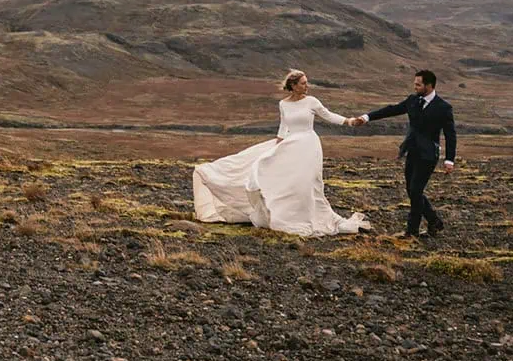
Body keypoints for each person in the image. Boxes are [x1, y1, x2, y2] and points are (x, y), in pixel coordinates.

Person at [193, 70, 370, 237]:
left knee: (308, 182)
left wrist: (348, 121)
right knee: (271, 171)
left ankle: (309, 214)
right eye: (303, 84)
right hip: (290, 143)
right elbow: (284, 125)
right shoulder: (283, 104)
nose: (306, 87)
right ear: (293, 85)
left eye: (307, 83)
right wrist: (276, 145)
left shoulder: (312, 102)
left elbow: (328, 115)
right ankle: (282, 212)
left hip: (308, 145)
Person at [348, 69, 457, 239]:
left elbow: (450, 135)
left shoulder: (443, 107)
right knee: (412, 190)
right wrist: (367, 117)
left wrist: (450, 159)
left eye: (418, 84)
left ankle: (411, 232)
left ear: (428, 86)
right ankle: (434, 221)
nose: (415, 87)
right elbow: (391, 110)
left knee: (415, 190)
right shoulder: (413, 100)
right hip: (411, 152)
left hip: (428, 155)